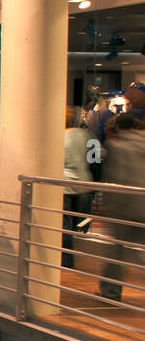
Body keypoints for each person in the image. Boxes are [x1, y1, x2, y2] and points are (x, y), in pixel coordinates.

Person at [99, 114, 145, 302]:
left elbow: (114, 177)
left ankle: (111, 292)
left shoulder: (116, 146)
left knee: (116, 251)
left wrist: (107, 203)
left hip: (124, 207)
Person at [63, 106, 95, 269]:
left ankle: (67, 262)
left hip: (64, 186)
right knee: (81, 224)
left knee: (65, 225)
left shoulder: (58, 137)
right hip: (85, 183)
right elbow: (96, 157)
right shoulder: (87, 135)